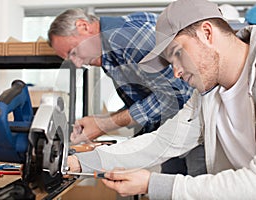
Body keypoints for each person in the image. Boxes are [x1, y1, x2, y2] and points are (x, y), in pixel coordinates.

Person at [67, 0, 256, 199]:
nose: (176, 73)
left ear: (206, 33)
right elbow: (162, 142)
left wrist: (154, 184)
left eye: (177, 53)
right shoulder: (206, 94)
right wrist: (79, 163)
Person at [48, 10, 206, 176]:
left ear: (83, 26)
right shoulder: (110, 52)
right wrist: (101, 121)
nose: (78, 64)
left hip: (195, 128)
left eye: (73, 52)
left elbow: (177, 95)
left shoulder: (125, 38)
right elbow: (147, 100)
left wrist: (107, 125)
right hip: (172, 131)